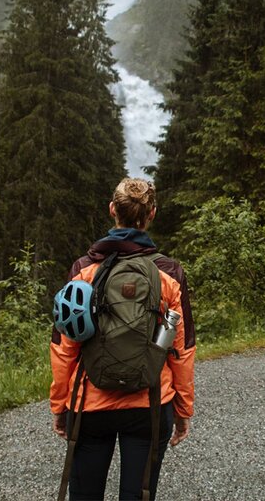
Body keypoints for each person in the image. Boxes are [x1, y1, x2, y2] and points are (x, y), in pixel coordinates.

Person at [50, 178, 195, 500]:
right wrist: (183, 410)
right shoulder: (168, 273)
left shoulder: (84, 269)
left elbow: (64, 347)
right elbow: (180, 348)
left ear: (112, 209)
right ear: (152, 214)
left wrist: (60, 405)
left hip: (89, 403)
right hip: (151, 404)